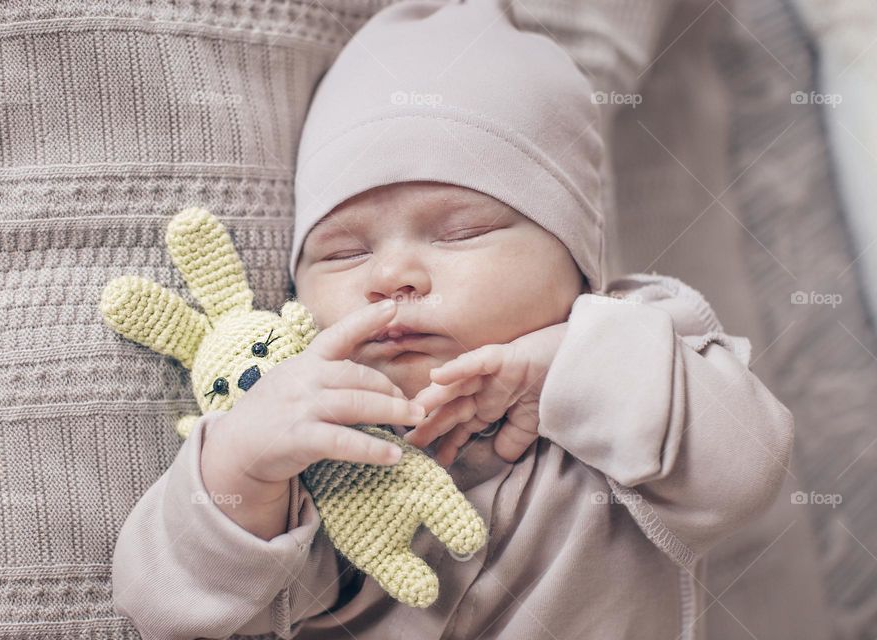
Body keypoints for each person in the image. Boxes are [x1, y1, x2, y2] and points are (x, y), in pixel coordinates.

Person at [111, 1, 795, 638]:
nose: (390, 277)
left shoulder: (633, 343)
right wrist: (242, 467)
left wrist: (566, 363)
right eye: (344, 252)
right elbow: (163, 610)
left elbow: (748, 471)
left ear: (578, 257)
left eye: (461, 231)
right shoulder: (325, 449)